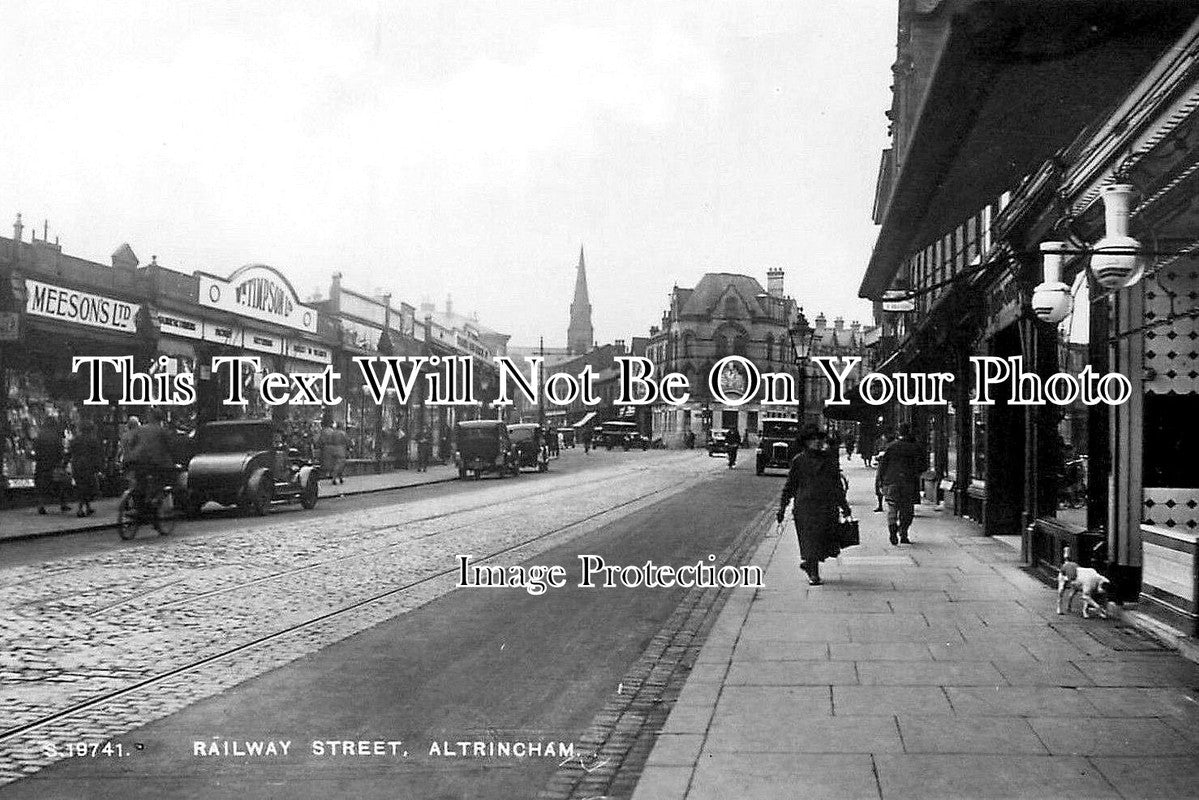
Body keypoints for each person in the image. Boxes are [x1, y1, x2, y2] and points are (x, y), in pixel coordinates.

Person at [777, 425, 851, 585]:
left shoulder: (829, 459)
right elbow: (790, 485)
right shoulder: (799, 461)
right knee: (810, 539)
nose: (817, 442)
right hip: (806, 507)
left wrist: (844, 506)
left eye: (819, 438)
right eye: (812, 439)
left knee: (822, 540)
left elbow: (836, 485)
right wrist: (782, 507)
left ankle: (809, 564)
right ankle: (813, 573)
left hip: (826, 506)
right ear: (805, 442)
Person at [875, 425, 928, 545]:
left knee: (892, 509)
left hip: (891, 482)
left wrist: (881, 481)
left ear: (899, 432)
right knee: (907, 510)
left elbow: (883, 466)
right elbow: (923, 466)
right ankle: (903, 533)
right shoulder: (915, 447)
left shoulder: (892, 447)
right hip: (908, 483)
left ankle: (892, 531)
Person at [120, 408, 178, 512]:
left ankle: (139, 507)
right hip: (156, 462)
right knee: (168, 479)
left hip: (137, 461)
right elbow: (170, 447)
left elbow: (132, 443)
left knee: (140, 483)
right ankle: (156, 499)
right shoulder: (162, 431)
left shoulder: (140, 429)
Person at [34, 418, 69, 515]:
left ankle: (41, 505)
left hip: (41, 463)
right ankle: (63, 504)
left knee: (42, 485)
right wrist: (61, 461)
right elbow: (60, 450)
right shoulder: (56, 436)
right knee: (59, 483)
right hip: (54, 463)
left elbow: (36, 448)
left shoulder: (40, 435)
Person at [69, 422, 103, 517]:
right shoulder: (93, 440)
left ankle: (87, 507)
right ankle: (81, 509)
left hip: (76, 464)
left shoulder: (75, 440)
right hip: (88, 466)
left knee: (81, 486)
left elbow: (71, 451)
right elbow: (97, 454)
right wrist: (98, 467)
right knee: (88, 487)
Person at [318, 419, 349, 485]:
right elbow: (347, 442)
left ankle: (340, 478)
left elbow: (329, 441)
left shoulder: (333, 433)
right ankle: (334, 478)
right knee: (340, 464)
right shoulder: (343, 433)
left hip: (333, 450)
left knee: (336, 464)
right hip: (341, 450)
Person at [872, 432, 894, 512]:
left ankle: (881, 505)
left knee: (879, 484)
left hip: (884, 468)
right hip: (890, 469)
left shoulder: (889, 447)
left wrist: (879, 457)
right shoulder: (892, 445)